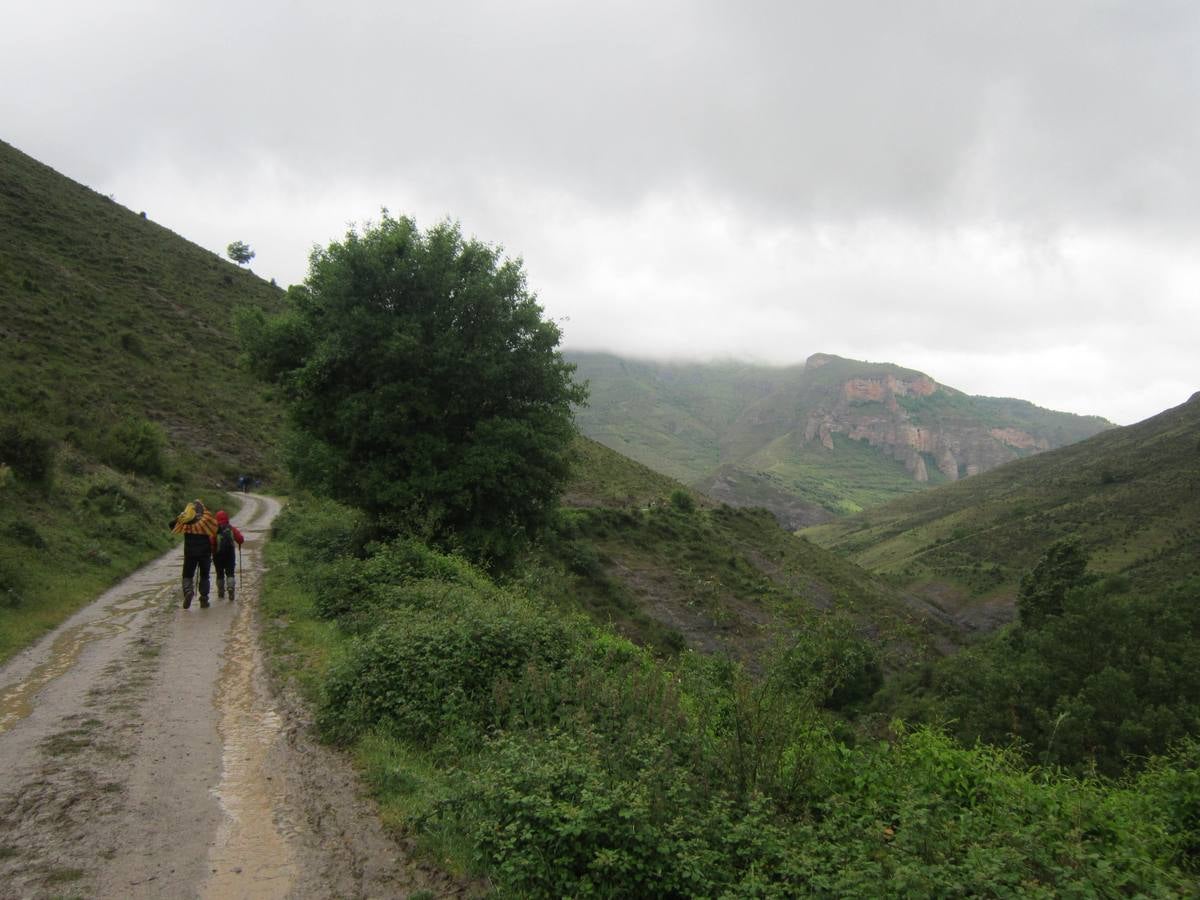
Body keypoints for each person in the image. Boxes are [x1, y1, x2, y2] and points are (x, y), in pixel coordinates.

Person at [169, 499, 217, 609]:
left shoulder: (187, 520)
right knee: (205, 576)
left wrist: (179, 517)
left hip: (190, 553)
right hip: (205, 553)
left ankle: (188, 591)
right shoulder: (207, 519)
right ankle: (204, 599)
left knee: (187, 575)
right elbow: (216, 528)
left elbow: (171, 525)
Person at [213, 510, 245, 602]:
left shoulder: (214, 530)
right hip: (230, 554)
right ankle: (230, 588)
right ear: (227, 518)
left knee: (219, 574)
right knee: (230, 573)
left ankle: (221, 591)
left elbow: (211, 542)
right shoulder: (231, 528)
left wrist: (212, 552)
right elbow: (240, 539)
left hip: (217, 555)